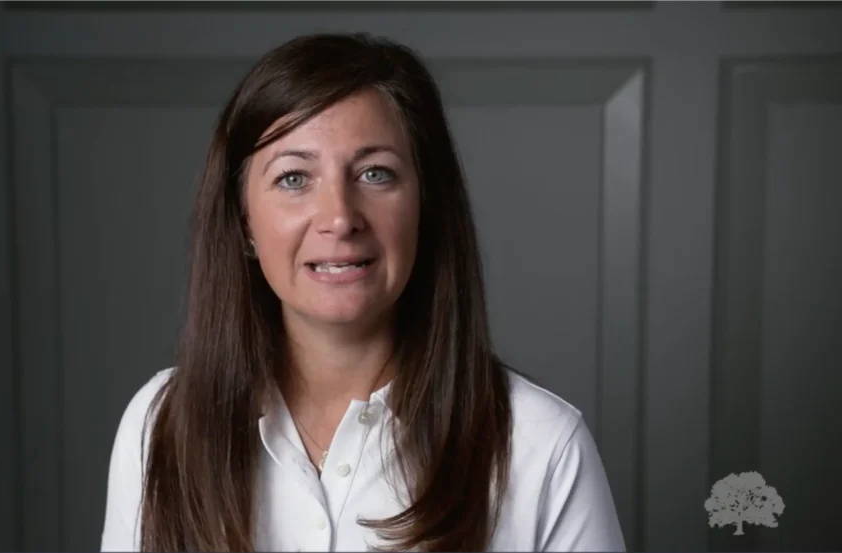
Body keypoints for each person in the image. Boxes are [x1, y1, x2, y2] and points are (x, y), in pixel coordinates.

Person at [100, 32, 625, 552]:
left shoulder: (542, 446)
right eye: (293, 179)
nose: (339, 217)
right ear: (243, 222)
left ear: (426, 207)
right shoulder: (160, 426)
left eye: (375, 174)